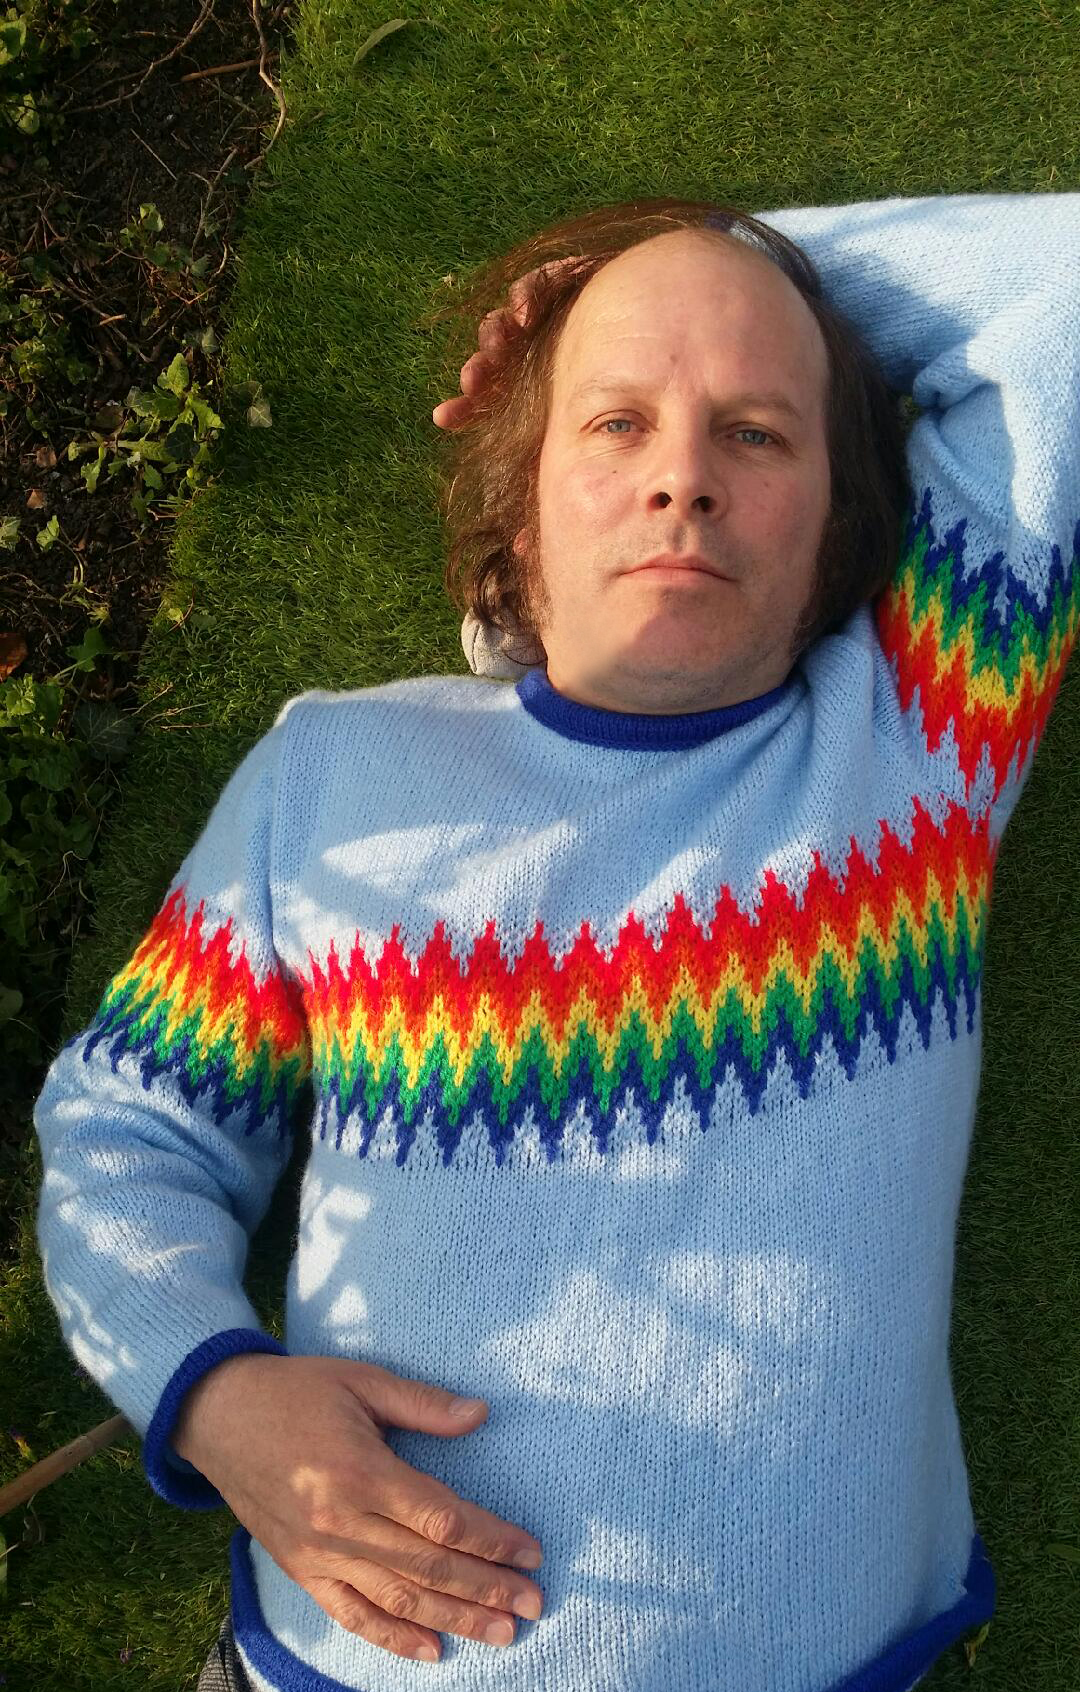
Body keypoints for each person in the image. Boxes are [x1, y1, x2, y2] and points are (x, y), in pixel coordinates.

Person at [32, 189, 1079, 1692]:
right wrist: (207, 1392)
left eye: (757, 435)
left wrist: (674, 276)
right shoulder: (336, 777)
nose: (683, 480)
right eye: (613, 425)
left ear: (841, 535)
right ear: (518, 524)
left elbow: (1061, 291)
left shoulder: (914, 744)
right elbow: (132, 1126)